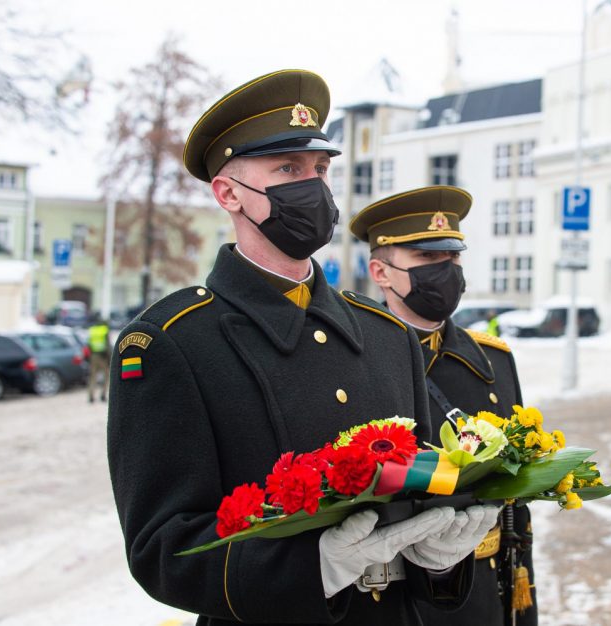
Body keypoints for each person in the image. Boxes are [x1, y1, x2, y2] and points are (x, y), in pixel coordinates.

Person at [107, 70, 497, 626]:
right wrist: (309, 566)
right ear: (228, 193)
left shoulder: (387, 336)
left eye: (319, 169)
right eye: (287, 169)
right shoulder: (174, 343)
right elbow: (162, 546)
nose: (311, 186)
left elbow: (422, 486)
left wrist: (439, 560)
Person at [350, 186, 537, 626]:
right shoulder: (354, 360)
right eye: (427, 259)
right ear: (381, 271)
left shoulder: (494, 361)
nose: (445, 271)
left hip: (479, 594)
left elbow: (516, 501)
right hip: (386, 595)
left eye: (451, 259)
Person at [87, 314, 110, 403]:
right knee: (106, 376)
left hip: (93, 356)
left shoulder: (92, 330)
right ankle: (103, 395)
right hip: (103, 356)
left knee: (93, 377)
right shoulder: (104, 330)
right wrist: (109, 358)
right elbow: (107, 346)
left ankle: (91, 396)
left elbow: (89, 345)